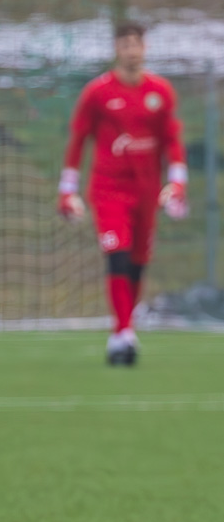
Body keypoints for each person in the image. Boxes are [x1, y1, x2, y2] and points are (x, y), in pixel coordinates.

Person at [57, 20, 188, 365]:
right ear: (117, 48)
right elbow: (78, 140)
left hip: (146, 190)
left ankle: (123, 331)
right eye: (126, 44)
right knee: (118, 254)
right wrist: (67, 190)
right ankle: (125, 332)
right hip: (109, 190)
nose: (132, 51)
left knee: (138, 262)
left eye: (137, 44)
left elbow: (172, 141)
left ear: (145, 48)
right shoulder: (98, 92)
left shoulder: (160, 91)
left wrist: (177, 183)